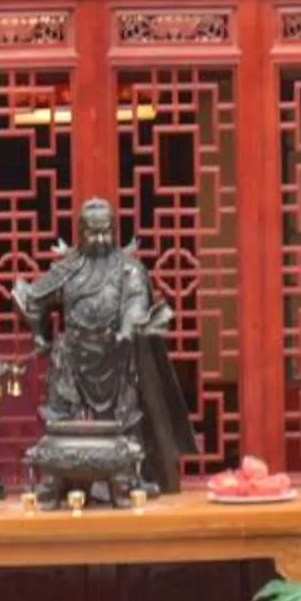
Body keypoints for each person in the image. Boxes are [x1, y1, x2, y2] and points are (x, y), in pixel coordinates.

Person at [13, 198, 199, 492]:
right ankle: (69, 480)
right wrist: (40, 334)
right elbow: (28, 298)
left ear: (114, 230)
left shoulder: (129, 269)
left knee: (126, 422)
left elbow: (136, 302)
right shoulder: (68, 269)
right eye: (92, 232)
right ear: (80, 232)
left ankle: (129, 479)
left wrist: (127, 329)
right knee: (63, 422)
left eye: (105, 232)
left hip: (117, 354)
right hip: (73, 357)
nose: (100, 239)